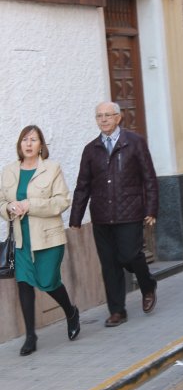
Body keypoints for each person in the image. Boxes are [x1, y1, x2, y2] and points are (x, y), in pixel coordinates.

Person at [69, 102, 158, 327]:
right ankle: (117, 310)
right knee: (109, 264)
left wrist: (151, 209)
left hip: (130, 213)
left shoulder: (135, 142)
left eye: (108, 115)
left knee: (129, 255)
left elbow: (149, 177)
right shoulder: (91, 149)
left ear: (118, 118)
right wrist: (76, 217)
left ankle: (147, 285)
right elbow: (83, 185)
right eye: (99, 116)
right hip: (101, 215)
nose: (104, 119)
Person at [0, 125, 80, 356]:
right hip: (21, 239)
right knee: (24, 283)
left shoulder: (52, 169)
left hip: (48, 239)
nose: (28, 144)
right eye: (24, 139)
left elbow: (62, 201)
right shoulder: (9, 171)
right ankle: (30, 336)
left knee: (48, 281)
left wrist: (30, 205)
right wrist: (9, 207)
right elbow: (1, 202)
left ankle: (71, 312)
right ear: (19, 144)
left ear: (41, 145)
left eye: (33, 140)